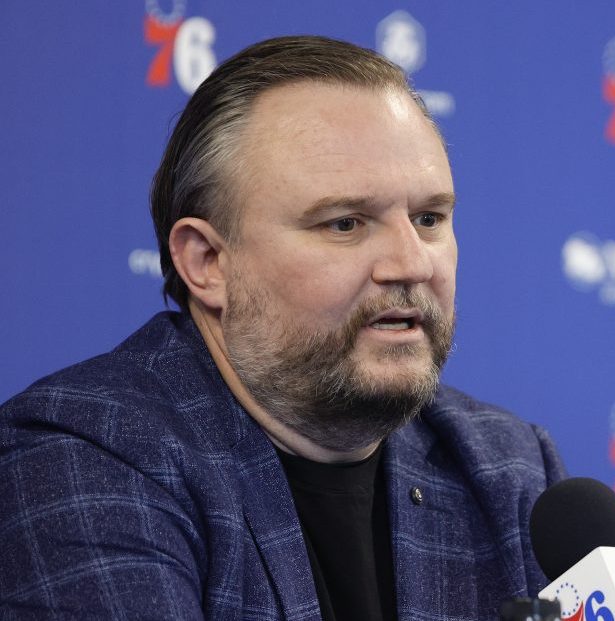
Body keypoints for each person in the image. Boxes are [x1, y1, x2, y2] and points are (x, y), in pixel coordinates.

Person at [0, 35, 566, 620]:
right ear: (208, 262)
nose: (413, 263)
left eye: (428, 218)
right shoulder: (85, 455)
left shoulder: (510, 469)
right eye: (345, 224)